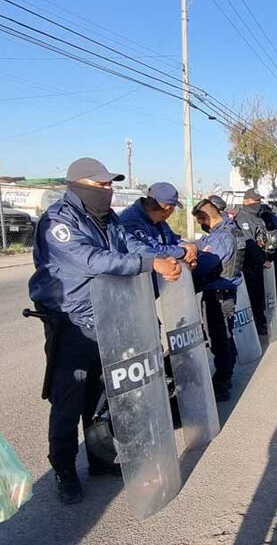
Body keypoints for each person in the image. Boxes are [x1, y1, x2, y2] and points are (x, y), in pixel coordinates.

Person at [29, 157, 181, 505]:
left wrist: (165, 257)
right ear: (78, 185)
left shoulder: (109, 218)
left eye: (110, 185)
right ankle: (64, 470)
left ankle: (99, 457)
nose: (108, 190)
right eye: (101, 185)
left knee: (103, 395)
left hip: (110, 315)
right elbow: (89, 260)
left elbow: (132, 248)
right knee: (69, 401)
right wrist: (148, 263)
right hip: (72, 322)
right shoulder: (59, 221)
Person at [191, 196, 244, 401]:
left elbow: (203, 264)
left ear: (205, 217)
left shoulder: (220, 238)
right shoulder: (231, 230)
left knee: (219, 338)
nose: (200, 225)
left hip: (218, 295)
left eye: (199, 220)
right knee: (225, 335)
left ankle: (223, 382)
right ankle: (227, 370)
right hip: (226, 293)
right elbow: (199, 244)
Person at [119, 181, 198, 268]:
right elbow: (150, 250)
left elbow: (173, 239)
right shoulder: (130, 220)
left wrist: (189, 247)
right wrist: (184, 252)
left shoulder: (159, 220)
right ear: (168, 208)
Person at [231, 188, 269, 335]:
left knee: (259, 295)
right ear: (246, 201)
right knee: (253, 296)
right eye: (255, 200)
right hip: (249, 265)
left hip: (259, 263)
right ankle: (256, 325)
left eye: (259, 200)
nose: (258, 203)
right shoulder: (243, 218)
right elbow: (249, 242)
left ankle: (260, 319)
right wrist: (261, 260)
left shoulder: (257, 217)